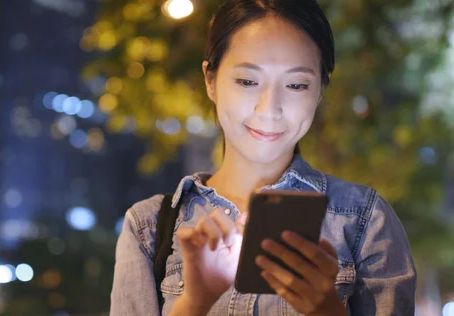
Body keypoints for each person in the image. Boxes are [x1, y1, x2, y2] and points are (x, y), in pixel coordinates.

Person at [110, 0, 417, 315]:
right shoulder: (150, 227)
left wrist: (326, 309)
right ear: (210, 80)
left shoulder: (365, 220)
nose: (269, 109)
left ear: (321, 88)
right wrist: (193, 304)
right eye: (247, 81)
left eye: (297, 84)